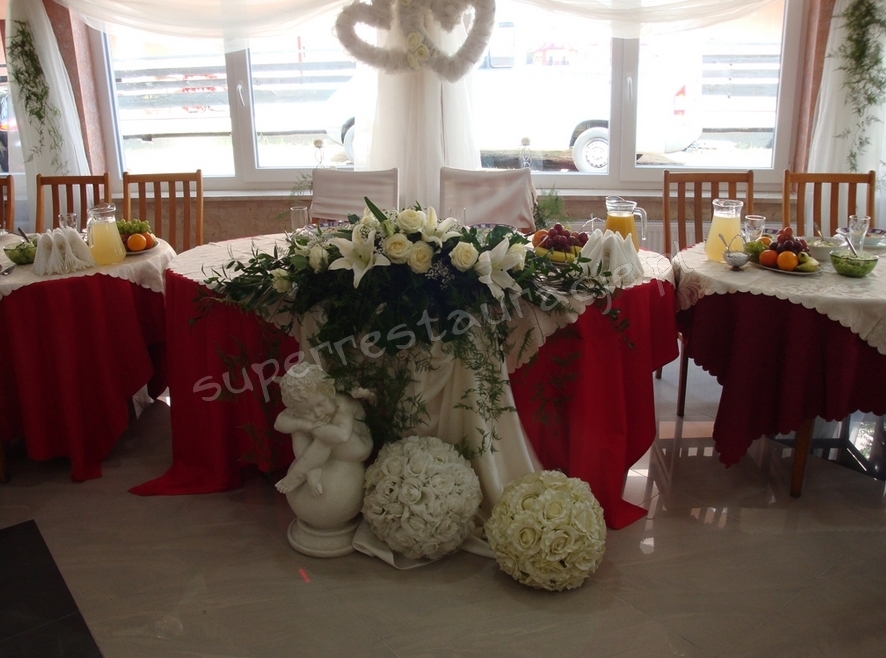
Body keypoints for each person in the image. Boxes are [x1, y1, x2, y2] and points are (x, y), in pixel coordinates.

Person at [274, 362, 372, 496]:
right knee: (297, 428)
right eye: (307, 411)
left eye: (320, 404)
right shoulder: (304, 406)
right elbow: (279, 423)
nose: (317, 413)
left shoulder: (342, 403)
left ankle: (300, 472)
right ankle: (312, 468)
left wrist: (315, 428)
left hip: (357, 447)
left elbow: (343, 435)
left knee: (328, 436)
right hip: (325, 451)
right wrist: (303, 424)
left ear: (330, 392)